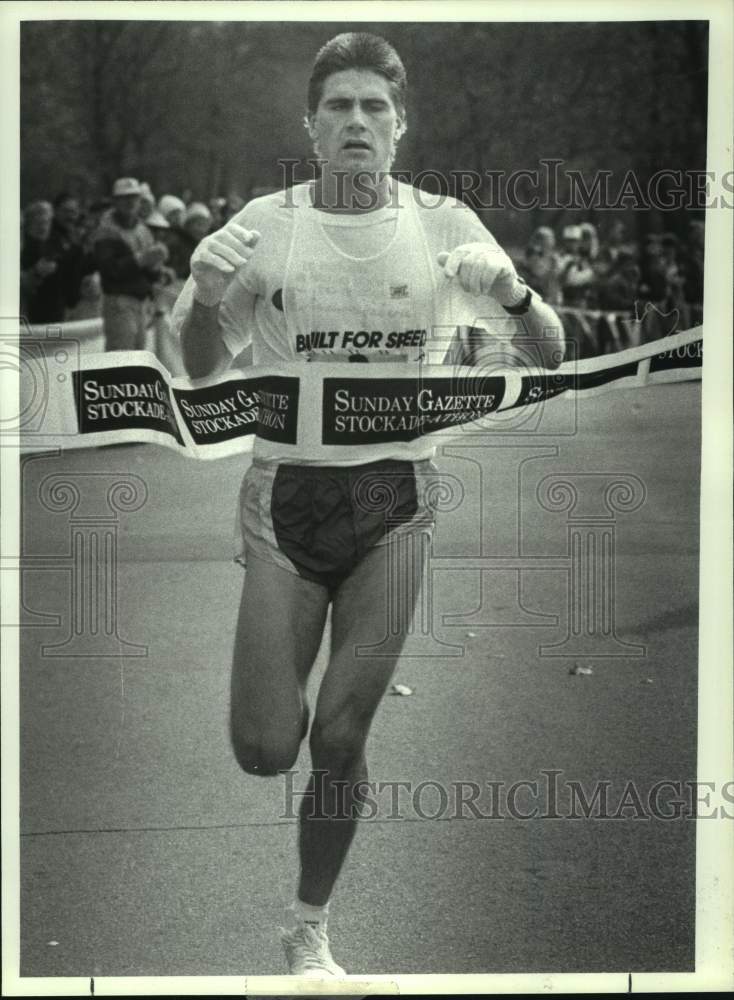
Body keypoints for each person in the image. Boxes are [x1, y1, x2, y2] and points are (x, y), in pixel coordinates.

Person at [172, 31, 564, 977]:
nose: (356, 122)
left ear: (399, 127)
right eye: (338, 106)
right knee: (268, 748)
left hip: (397, 497)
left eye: (373, 108)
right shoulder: (265, 221)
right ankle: (283, 779)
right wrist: (205, 290)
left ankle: (309, 928)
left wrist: (510, 295)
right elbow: (199, 366)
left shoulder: (445, 222)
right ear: (311, 126)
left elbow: (550, 352)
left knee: (342, 733)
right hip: (286, 497)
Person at [92, 177, 169, 351]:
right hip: (119, 300)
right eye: (124, 198)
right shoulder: (106, 230)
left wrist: (157, 267)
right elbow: (109, 270)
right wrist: (143, 258)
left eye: (134, 197)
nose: (130, 202)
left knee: (138, 355)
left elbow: (150, 273)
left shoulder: (143, 229)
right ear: (115, 201)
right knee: (121, 356)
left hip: (141, 301)